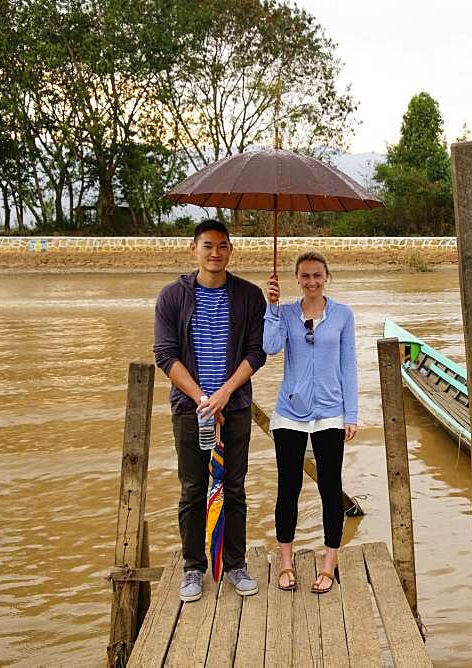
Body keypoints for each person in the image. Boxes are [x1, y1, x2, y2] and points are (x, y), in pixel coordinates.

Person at [153, 219, 267, 602]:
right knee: (193, 488)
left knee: (234, 487)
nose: (215, 253)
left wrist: (223, 395)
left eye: (222, 246)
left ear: (230, 250)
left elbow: (257, 352)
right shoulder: (173, 297)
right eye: (207, 246)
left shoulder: (250, 296)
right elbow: (165, 354)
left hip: (234, 409)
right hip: (190, 409)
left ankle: (235, 564)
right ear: (193, 249)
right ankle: (193, 567)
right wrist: (203, 398)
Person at [263, 251, 357, 595]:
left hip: (331, 413)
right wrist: (271, 307)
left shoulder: (343, 315)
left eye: (317, 275)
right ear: (297, 279)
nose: (312, 282)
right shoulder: (285, 312)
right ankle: (285, 562)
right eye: (305, 276)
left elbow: (349, 366)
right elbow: (270, 347)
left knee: (330, 489)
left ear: (327, 276)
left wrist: (352, 414)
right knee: (288, 488)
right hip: (290, 414)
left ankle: (329, 563)